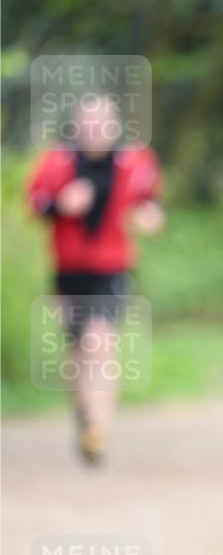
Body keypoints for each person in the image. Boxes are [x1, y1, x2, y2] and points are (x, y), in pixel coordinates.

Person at [27, 94, 164, 462]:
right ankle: (85, 418)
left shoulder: (135, 161)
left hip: (111, 268)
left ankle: (98, 431)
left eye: (102, 121)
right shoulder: (57, 161)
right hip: (67, 270)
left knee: (99, 343)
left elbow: (153, 204)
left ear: (115, 124)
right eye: (87, 122)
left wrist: (150, 217)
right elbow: (35, 202)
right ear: (76, 126)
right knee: (76, 352)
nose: (95, 129)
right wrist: (60, 204)